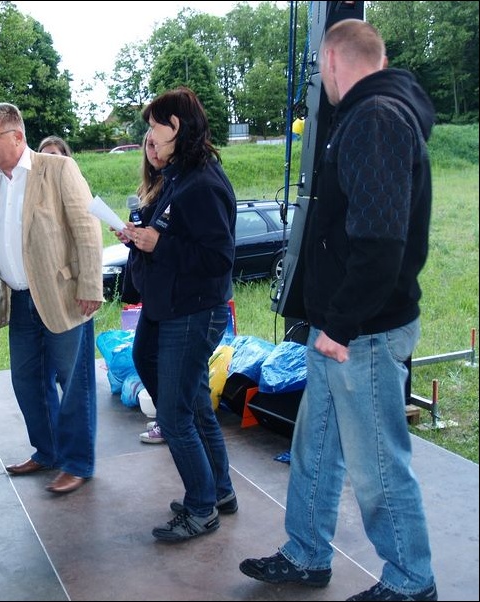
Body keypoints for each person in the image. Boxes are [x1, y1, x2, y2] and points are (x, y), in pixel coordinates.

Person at [239, 19, 438, 601]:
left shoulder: (375, 119)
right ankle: (306, 553)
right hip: (341, 325)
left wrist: (343, 325)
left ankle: (411, 582)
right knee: (317, 446)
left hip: (363, 331)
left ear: (329, 60)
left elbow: (380, 244)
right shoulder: (366, 114)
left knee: (377, 466)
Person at [0, 102, 103, 495]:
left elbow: (87, 227)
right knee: (26, 381)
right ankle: (48, 451)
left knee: (74, 383)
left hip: (64, 296)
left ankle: (77, 463)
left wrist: (91, 285)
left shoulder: (58, 170)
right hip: (19, 300)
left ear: (17, 136)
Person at [114, 86, 238, 541]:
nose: (150, 136)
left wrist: (159, 243)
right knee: (184, 398)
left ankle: (201, 507)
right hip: (167, 307)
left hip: (192, 311)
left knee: (175, 414)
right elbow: (172, 230)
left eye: (155, 127)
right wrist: (143, 236)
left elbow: (219, 257)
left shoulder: (203, 183)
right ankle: (219, 490)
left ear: (176, 127)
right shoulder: (180, 175)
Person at [131, 129, 167, 446]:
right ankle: (170, 419)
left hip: (170, 291)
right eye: (148, 145)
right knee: (144, 355)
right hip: (151, 287)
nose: (152, 151)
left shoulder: (175, 185)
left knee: (145, 355)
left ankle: (171, 421)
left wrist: (146, 239)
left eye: (157, 144)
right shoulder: (148, 186)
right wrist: (130, 236)